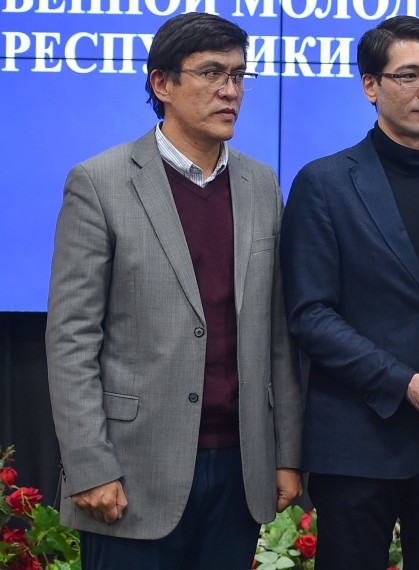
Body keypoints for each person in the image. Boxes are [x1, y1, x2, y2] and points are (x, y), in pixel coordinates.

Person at [44, 12, 303, 569]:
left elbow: (278, 335)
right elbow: (71, 339)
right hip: (132, 471)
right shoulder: (99, 182)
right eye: (211, 73)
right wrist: (90, 465)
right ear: (162, 83)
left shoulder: (262, 184)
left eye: (238, 75)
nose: (230, 90)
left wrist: (287, 454)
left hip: (239, 469)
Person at [280, 16, 419, 569]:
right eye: (409, 76)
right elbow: (310, 313)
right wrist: (399, 381)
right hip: (359, 440)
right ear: (370, 86)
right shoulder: (325, 183)